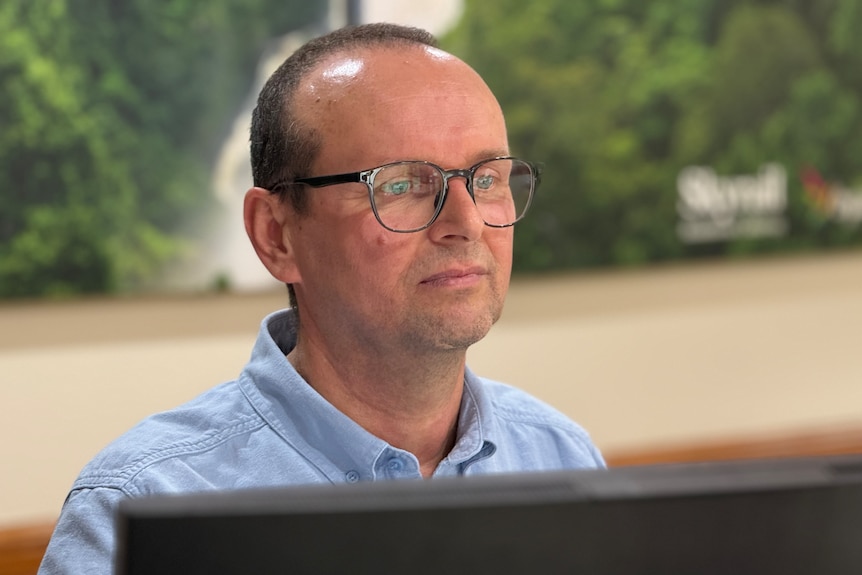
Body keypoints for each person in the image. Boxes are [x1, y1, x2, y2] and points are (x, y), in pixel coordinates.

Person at [38, 22, 604, 574]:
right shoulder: (138, 506)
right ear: (276, 235)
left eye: (486, 179)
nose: (465, 222)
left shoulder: (561, 458)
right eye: (402, 184)